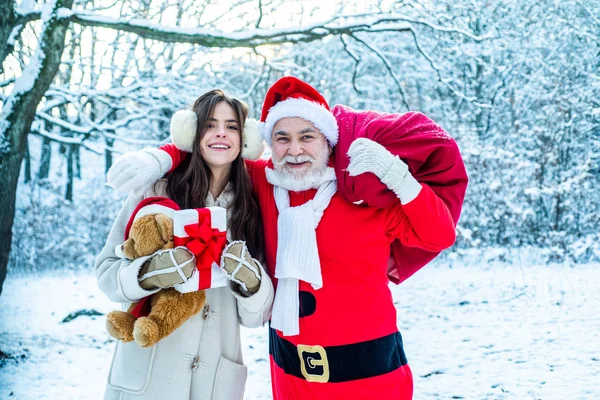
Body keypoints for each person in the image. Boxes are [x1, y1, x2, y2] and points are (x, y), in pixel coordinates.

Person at [108, 77, 462, 399]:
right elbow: (214, 149)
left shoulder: (361, 191)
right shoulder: (261, 182)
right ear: (266, 145)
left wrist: (396, 176)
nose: (294, 150)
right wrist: (162, 155)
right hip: (290, 377)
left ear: (328, 140)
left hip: (370, 374)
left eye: (307, 136)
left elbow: (439, 234)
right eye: (282, 138)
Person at [95, 89, 274, 400]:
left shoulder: (251, 207)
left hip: (215, 382)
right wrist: (151, 274)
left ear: (244, 137)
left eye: (231, 126)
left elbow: (255, 317)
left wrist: (251, 280)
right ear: (192, 132)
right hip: (149, 375)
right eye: (210, 124)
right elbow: (107, 273)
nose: (221, 133)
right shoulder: (155, 190)